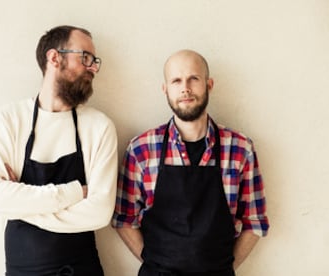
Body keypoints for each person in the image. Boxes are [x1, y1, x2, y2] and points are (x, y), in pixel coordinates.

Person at [112, 49, 269, 276]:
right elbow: (123, 219)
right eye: (176, 81)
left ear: (209, 84)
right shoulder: (141, 149)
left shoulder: (240, 149)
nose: (185, 88)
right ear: (165, 89)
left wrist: (226, 268)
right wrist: (154, 264)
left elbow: (255, 222)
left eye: (193, 79)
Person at [0, 25, 118, 276]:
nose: (94, 68)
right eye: (85, 57)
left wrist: (22, 209)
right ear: (54, 58)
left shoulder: (99, 127)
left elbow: (99, 213)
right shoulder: (9, 120)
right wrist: (75, 192)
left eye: (94, 61)